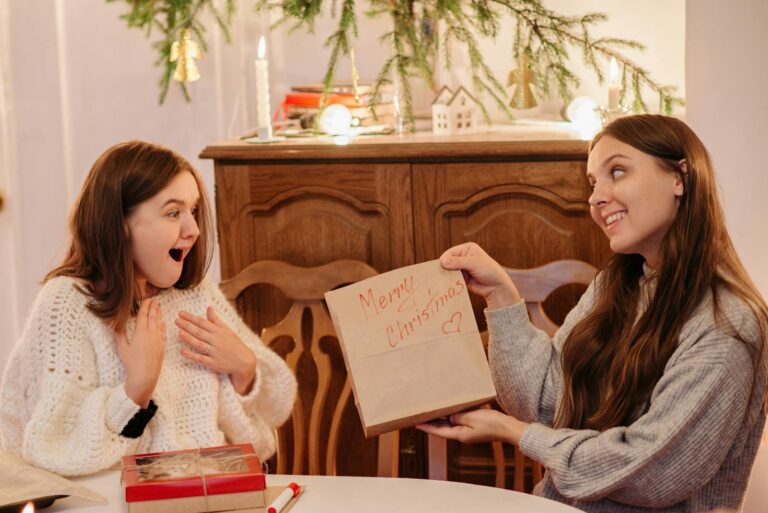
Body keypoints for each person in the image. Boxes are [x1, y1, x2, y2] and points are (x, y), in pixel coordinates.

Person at [418, 115, 767, 512]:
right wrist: (500, 295)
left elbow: (649, 474)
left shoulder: (728, 325)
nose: (596, 197)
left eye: (617, 171)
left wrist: (514, 433)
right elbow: (547, 402)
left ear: (680, 178)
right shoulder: (614, 287)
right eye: (593, 183)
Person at [0, 141, 297, 476]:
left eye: (193, 211)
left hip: (210, 497)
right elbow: (53, 446)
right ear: (119, 224)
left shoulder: (195, 295)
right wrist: (137, 387)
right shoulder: (67, 303)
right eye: (173, 213)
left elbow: (270, 416)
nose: (194, 230)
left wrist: (245, 370)